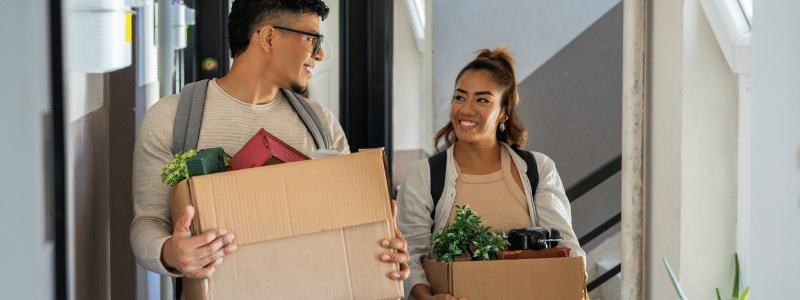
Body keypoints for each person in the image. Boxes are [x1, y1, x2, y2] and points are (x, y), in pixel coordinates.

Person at [130, 0, 409, 286]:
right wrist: (170, 254)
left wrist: (382, 245)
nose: (320, 54)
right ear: (268, 37)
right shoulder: (172, 118)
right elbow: (147, 225)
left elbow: (348, 223)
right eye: (312, 40)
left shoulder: (322, 124)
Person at [396, 47, 585, 300]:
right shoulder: (423, 176)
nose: (466, 109)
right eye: (460, 97)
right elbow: (410, 260)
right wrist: (428, 299)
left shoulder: (538, 170)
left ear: (504, 112)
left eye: (482, 100)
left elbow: (567, 251)